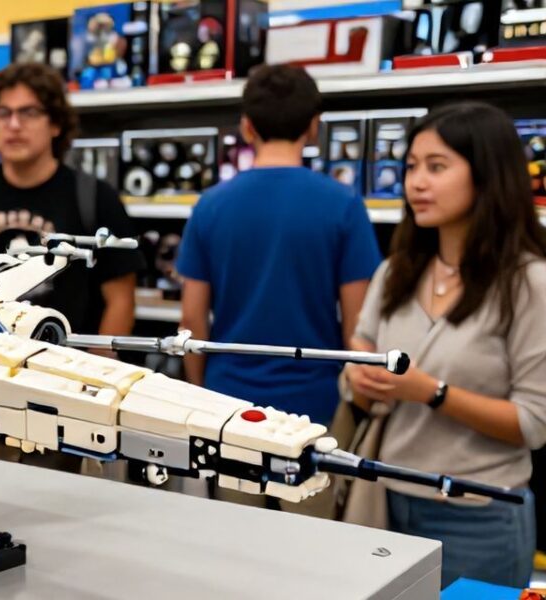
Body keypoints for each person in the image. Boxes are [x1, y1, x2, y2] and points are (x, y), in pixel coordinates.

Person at [346, 101, 546, 588]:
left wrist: (431, 392)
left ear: (487, 176)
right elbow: (360, 348)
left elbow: (532, 424)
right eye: (411, 166)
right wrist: (358, 376)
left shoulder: (529, 284)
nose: (416, 183)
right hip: (385, 503)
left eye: (436, 167)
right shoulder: (396, 271)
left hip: (479, 518)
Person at [176, 64, 382, 428]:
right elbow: (358, 323)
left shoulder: (210, 206)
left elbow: (192, 320)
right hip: (316, 401)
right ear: (314, 127)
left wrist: (200, 390)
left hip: (227, 401)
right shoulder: (344, 204)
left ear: (247, 127)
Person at [0, 62, 141, 337]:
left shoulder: (96, 197)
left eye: (29, 112)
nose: (14, 125)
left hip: (68, 359)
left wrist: (99, 361)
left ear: (55, 124)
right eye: (3, 113)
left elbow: (121, 300)